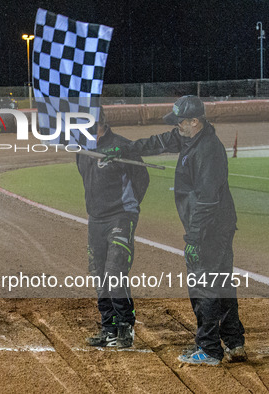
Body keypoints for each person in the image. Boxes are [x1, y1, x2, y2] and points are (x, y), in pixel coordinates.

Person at [104, 95, 246, 365]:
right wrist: (125, 149)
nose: (177, 126)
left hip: (210, 228)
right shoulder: (189, 137)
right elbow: (159, 142)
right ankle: (234, 342)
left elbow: (207, 200)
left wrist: (193, 238)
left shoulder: (208, 151)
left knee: (203, 286)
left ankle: (209, 349)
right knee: (222, 282)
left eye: (180, 121)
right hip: (215, 226)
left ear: (195, 121)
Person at [77, 110, 149, 349]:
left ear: (101, 122)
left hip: (120, 217)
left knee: (115, 272)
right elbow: (86, 177)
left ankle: (125, 327)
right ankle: (109, 328)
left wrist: (128, 207)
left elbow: (142, 179)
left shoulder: (123, 147)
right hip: (95, 219)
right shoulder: (82, 148)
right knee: (99, 275)